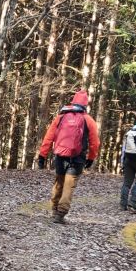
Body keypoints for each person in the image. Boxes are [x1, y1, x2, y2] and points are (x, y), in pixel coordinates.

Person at [38, 90, 100, 223]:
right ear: (85, 104)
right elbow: (95, 142)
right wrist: (91, 158)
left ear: (73, 102)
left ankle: (54, 209)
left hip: (61, 156)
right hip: (77, 158)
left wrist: (42, 155)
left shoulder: (61, 117)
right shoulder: (88, 120)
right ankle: (60, 214)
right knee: (69, 185)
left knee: (59, 183)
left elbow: (49, 137)